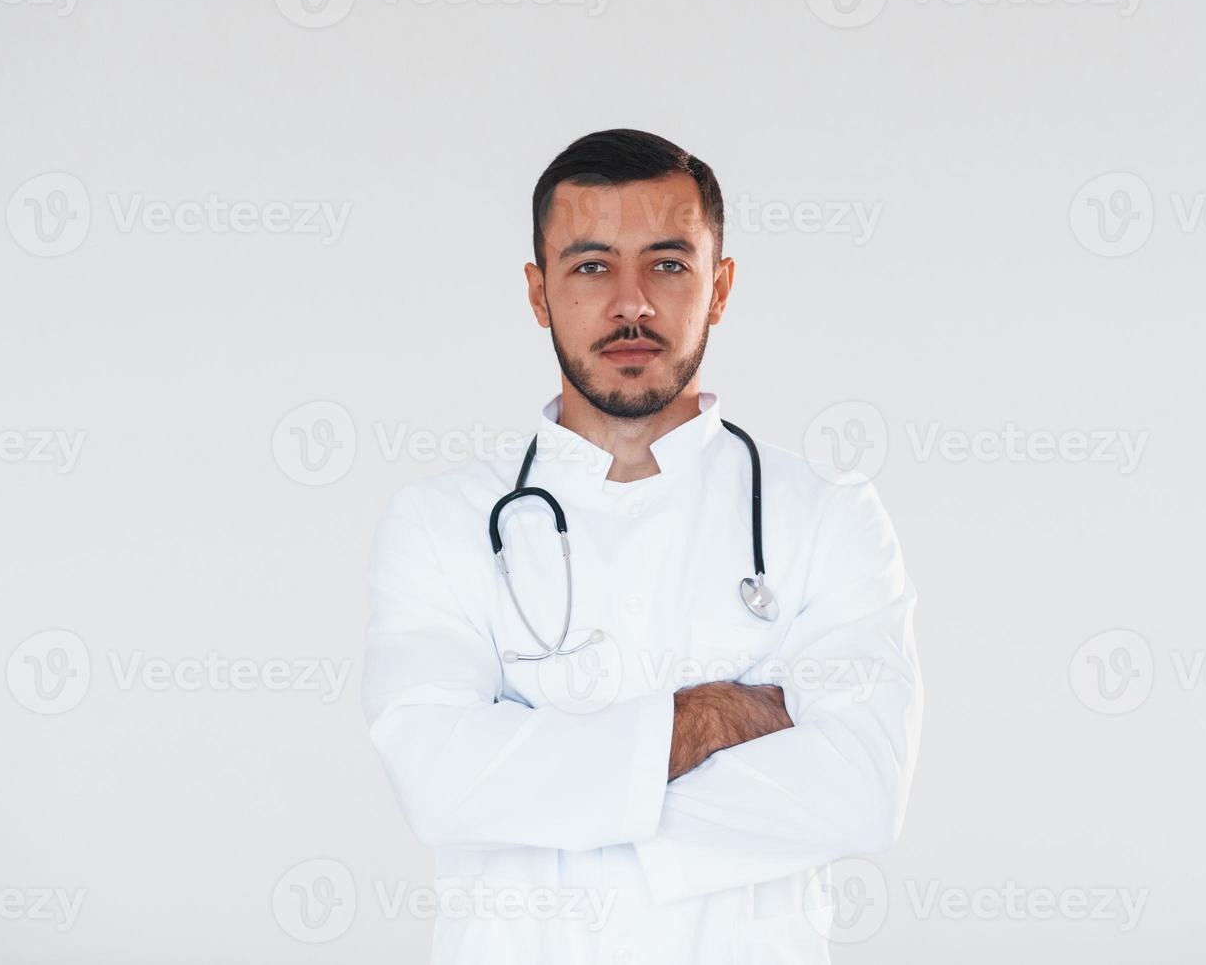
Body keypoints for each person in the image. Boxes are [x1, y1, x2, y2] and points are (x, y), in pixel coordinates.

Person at [360, 128, 924, 963]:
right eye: (591, 266)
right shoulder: (440, 523)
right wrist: (716, 716)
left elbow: (862, 790)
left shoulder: (827, 516)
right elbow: (439, 784)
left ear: (720, 286)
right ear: (539, 292)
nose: (632, 303)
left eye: (667, 263)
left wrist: (548, 798)